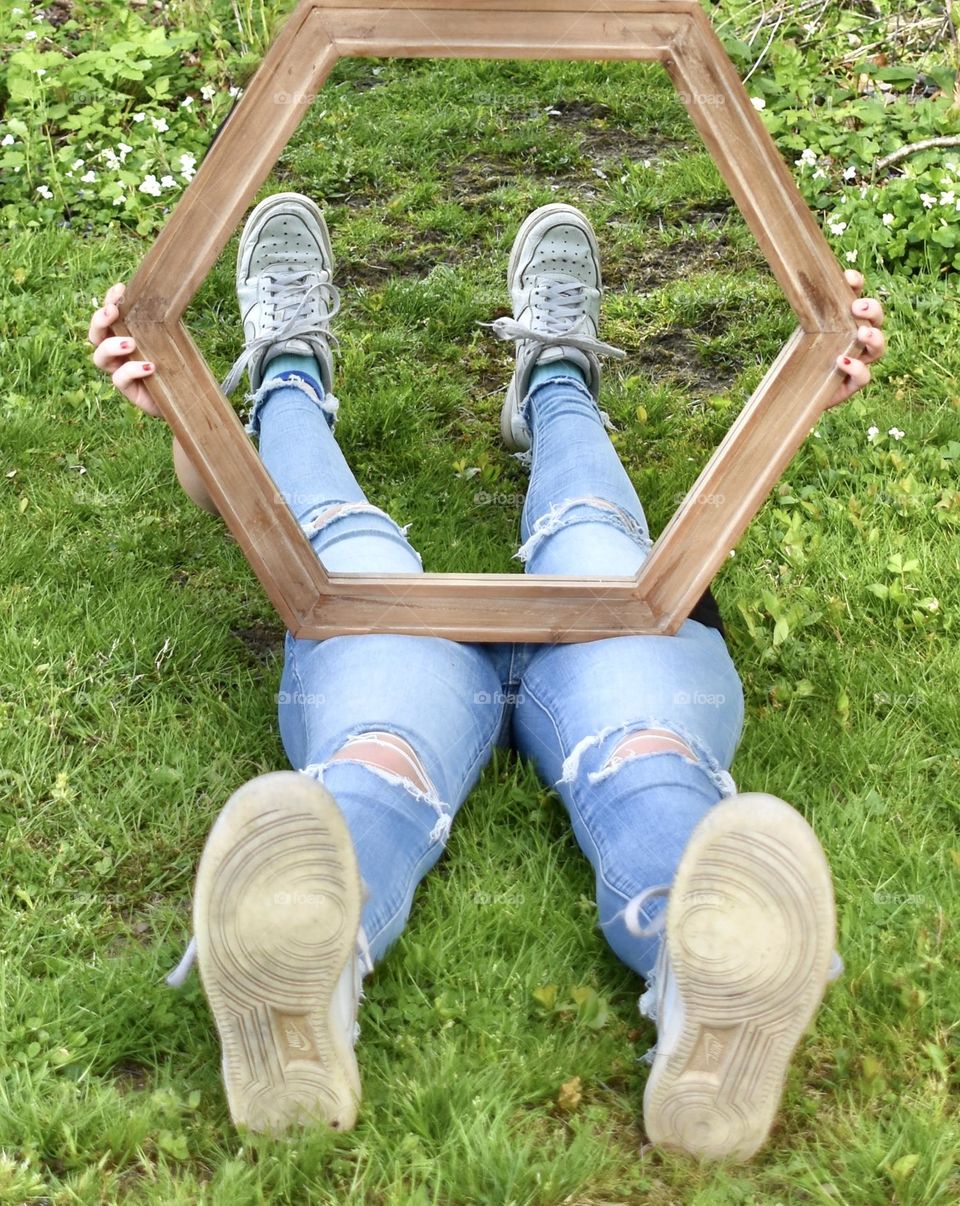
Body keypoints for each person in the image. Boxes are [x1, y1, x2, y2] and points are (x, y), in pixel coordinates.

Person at [88, 193, 886, 1160]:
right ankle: (536, 378)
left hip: (458, 632)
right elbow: (231, 506)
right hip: (602, 625)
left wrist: (814, 380)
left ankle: (301, 377)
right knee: (631, 705)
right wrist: (183, 414)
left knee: (372, 675)